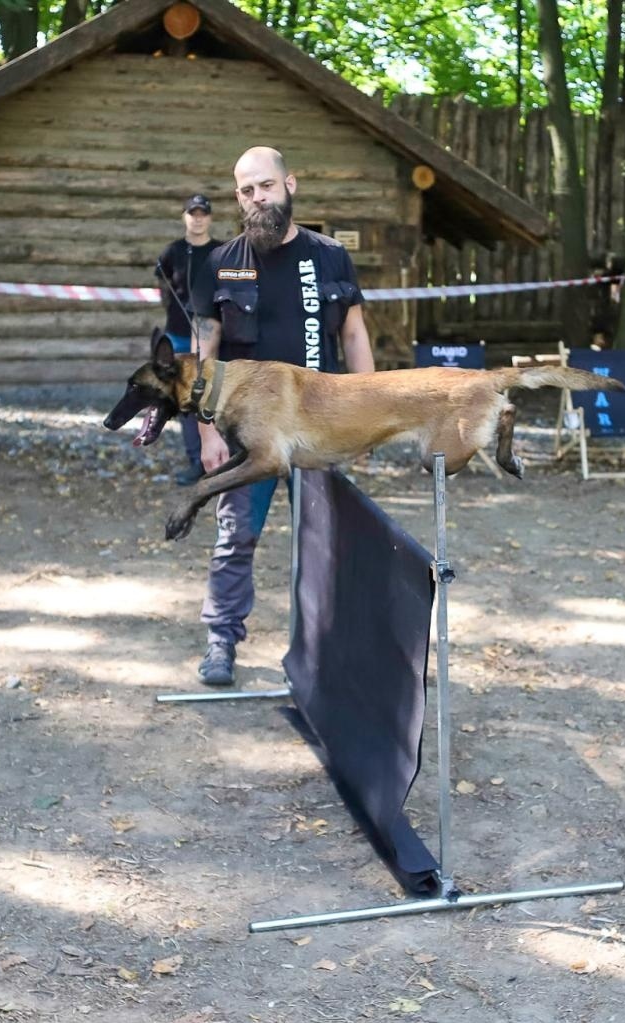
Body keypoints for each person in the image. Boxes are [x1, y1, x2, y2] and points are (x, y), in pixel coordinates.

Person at [189, 146, 375, 686]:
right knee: (234, 535)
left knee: (322, 540)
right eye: (246, 191)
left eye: (265, 186)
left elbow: (355, 334)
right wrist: (206, 431)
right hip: (247, 434)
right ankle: (221, 642)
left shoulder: (332, 256)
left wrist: (365, 415)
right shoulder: (220, 263)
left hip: (322, 429)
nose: (256, 198)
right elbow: (204, 355)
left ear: (289, 184)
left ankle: (320, 650)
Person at [156, 193, 223, 486]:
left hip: (215, 337)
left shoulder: (222, 251)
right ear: (184, 216)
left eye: (203, 213)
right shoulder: (172, 252)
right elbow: (164, 285)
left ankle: (223, 457)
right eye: (192, 213)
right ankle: (196, 460)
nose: (197, 218)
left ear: (209, 217)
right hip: (180, 336)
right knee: (187, 400)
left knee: (214, 396)